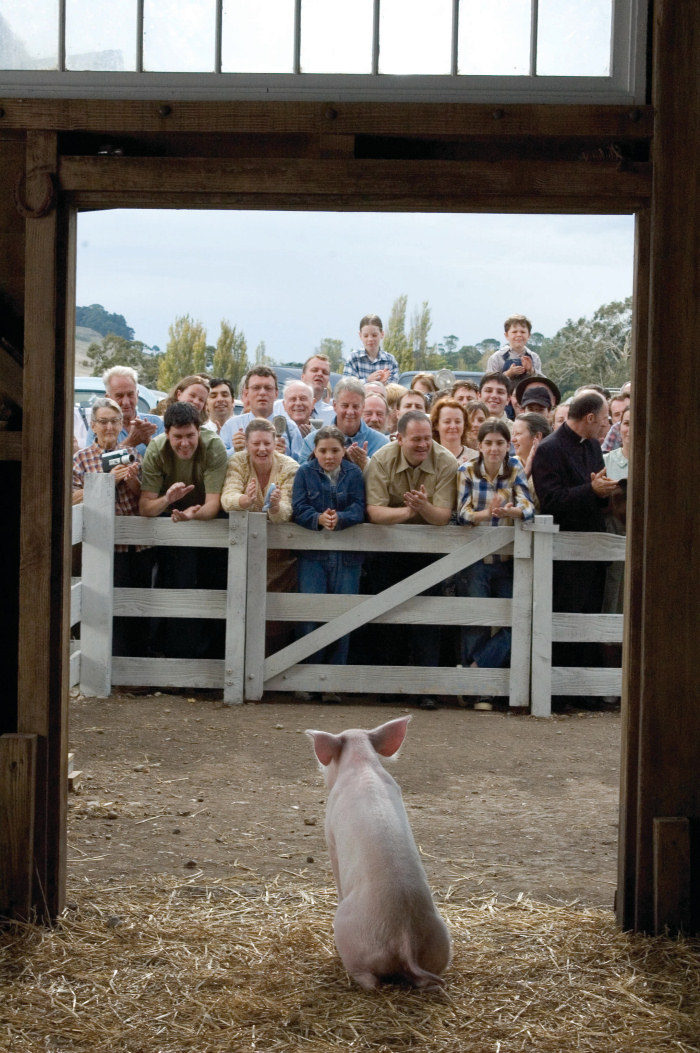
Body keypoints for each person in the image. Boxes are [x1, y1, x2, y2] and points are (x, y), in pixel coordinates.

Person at [363, 410, 458, 710]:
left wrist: (423, 507)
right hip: (387, 551)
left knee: (427, 621)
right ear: (399, 438)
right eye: (416, 439)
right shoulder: (381, 459)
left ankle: (426, 689)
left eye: (427, 438)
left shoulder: (446, 462)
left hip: (429, 554)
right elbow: (374, 511)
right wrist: (408, 512)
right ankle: (391, 687)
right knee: (388, 618)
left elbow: (442, 516)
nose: (423, 445)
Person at [531, 390, 618, 677]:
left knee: (589, 620)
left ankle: (585, 690)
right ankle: (559, 690)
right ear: (590, 418)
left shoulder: (593, 446)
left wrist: (604, 492)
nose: (607, 426)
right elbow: (551, 501)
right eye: (604, 419)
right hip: (564, 556)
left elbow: (595, 493)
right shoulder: (549, 449)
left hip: (592, 550)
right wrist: (591, 490)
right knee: (566, 620)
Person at [456, 418, 535, 709]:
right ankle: (480, 693)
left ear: (507, 445)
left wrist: (513, 511)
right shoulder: (466, 470)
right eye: (488, 442)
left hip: (506, 557)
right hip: (476, 558)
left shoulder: (515, 468)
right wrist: (487, 514)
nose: (494, 448)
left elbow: (528, 506)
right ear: (479, 445)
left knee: (514, 621)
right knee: (476, 622)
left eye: (500, 442)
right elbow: (462, 514)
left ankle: (475, 672)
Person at [139, 402, 228, 658]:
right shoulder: (156, 449)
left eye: (190, 435)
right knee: (178, 587)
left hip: (208, 523)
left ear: (199, 430)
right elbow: (145, 507)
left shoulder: (213, 446)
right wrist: (168, 499)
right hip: (173, 521)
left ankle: (212, 662)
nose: (185, 443)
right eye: (178, 437)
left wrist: (193, 515)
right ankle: (177, 659)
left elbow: (212, 506)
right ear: (167, 434)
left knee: (214, 589)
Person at [72, 397, 149, 656]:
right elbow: (72, 498)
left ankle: (134, 667)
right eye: (103, 422)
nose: (109, 427)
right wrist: (107, 480)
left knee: (137, 606)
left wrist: (130, 479)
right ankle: (107, 663)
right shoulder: (81, 459)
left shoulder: (132, 454)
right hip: (100, 546)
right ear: (93, 426)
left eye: (114, 422)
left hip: (135, 545)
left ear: (121, 425)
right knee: (103, 605)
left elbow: (144, 498)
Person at [291, 425, 366, 679]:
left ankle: (334, 679)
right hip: (313, 556)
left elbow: (360, 506)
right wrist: (318, 518)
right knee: (309, 616)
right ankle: (309, 676)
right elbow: (298, 507)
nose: (329, 456)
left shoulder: (354, 473)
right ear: (314, 450)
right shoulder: (304, 472)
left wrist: (341, 518)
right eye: (323, 450)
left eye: (335, 450)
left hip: (347, 557)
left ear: (344, 450)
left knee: (343, 616)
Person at [298, 377, 389, 469]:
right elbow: (303, 479)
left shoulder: (381, 444)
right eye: (345, 406)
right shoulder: (311, 442)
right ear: (334, 405)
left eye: (355, 406)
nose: (350, 411)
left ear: (363, 407)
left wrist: (366, 466)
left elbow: (387, 481)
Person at [220, 417, 298, 522]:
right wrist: (245, 500)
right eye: (256, 444)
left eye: (267, 443)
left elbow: (288, 510)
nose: (262, 449)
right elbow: (227, 499)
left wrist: (275, 507)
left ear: (275, 444)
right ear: (246, 444)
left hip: (281, 533)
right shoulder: (238, 460)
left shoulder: (290, 467)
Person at [220, 366, 302, 459]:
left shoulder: (290, 428)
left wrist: (284, 457)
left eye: (268, 388)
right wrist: (234, 450)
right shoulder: (231, 426)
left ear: (276, 393)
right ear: (246, 393)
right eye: (256, 388)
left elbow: (300, 467)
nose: (262, 392)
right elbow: (218, 464)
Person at [86, 365, 164, 456]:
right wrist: (131, 442)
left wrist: (148, 440)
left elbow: (167, 464)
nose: (126, 402)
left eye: (130, 395)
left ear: (137, 395)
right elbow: (93, 462)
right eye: (119, 396)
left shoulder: (155, 423)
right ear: (108, 398)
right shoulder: (100, 426)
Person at [343, 313, 399, 384]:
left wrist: (382, 383)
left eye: (374, 335)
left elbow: (394, 391)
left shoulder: (390, 361)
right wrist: (367, 381)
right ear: (360, 336)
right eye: (366, 336)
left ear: (382, 334)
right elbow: (347, 386)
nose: (370, 339)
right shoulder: (353, 359)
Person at [511, 411, 552, 506]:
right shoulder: (510, 464)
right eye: (513, 434)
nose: (513, 439)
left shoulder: (551, 466)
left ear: (537, 436)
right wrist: (527, 471)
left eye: (518, 434)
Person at [486, 314, 542, 380]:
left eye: (523, 332)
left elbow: (542, 383)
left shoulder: (534, 357)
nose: (519, 335)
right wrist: (508, 374)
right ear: (506, 335)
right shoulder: (496, 358)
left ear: (529, 335)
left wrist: (531, 370)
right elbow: (489, 382)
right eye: (514, 332)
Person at [430, 395, 477, 465]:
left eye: (457, 422)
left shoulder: (476, 458)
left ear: (464, 424)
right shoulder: (428, 458)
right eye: (447, 422)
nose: (453, 426)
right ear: (436, 425)